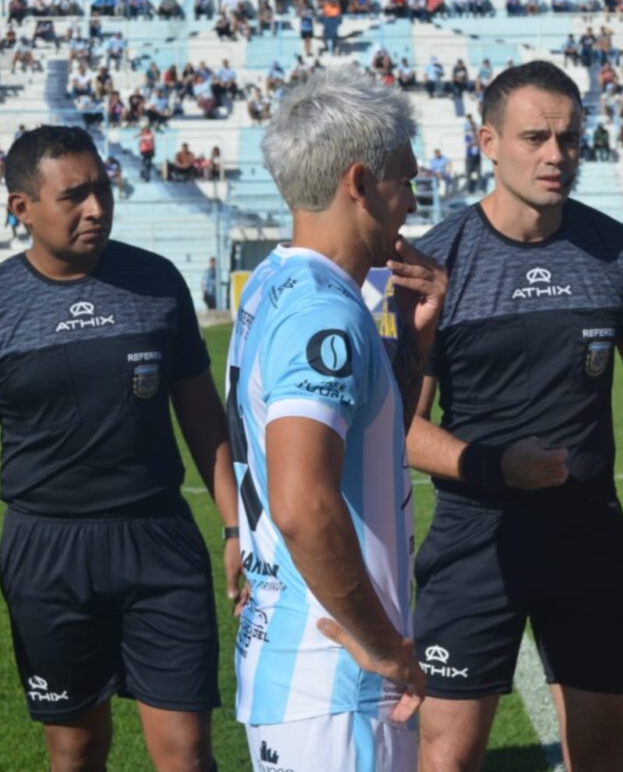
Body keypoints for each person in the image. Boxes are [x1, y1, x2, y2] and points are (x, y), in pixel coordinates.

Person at [407, 60, 623, 772]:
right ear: (487, 140)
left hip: (588, 532)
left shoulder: (616, 253)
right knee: (447, 755)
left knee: (600, 757)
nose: (555, 156)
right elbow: (401, 428)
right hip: (473, 540)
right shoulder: (439, 259)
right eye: (535, 137)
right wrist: (493, 466)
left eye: (569, 139)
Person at [0, 125, 245, 772]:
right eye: (74, 195)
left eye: (102, 189)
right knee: (76, 749)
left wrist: (234, 524)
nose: (97, 207)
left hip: (159, 541)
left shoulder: (157, 283)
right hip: (47, 555)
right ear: (22, 207)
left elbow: (203, 419)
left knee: (187, 754)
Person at [227, 66, 445, 770]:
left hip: (294, 669)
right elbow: (301, 502)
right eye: (405, 181)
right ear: (359, 182)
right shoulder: (324, 310)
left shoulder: (274, 282)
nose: (412, 202)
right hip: (334, 682)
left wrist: (414, 341)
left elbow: (367, 446)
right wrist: (384, 648)